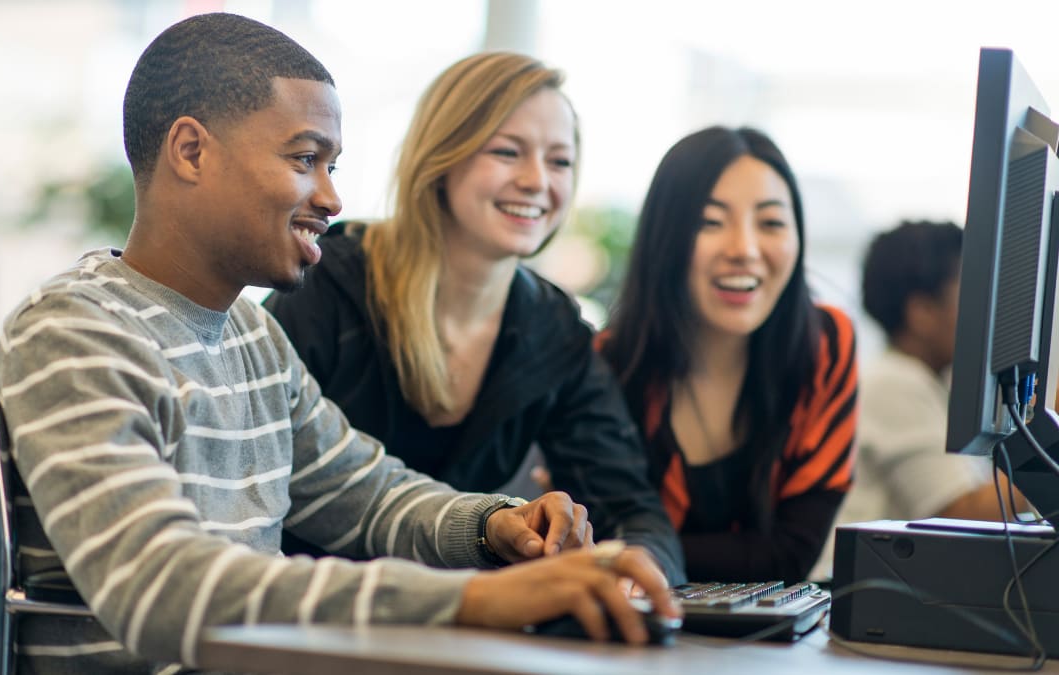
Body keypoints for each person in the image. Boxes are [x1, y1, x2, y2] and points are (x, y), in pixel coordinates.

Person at [0, 14, 678, 673]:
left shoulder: (253, 335)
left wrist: (499, 523)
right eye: (305, 158)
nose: (332, 198)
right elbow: (161, 585)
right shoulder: (72, 332)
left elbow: (368, 496)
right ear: (191, 151)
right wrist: (473, 600)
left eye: (333, 167)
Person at [263, 51, 685, 583]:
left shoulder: (554, 329)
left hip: (459, 631)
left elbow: (633, 511)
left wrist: (636, 581)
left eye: (559, 161)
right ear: (442, 157)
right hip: (310, 623)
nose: (537, 181)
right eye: (509, 152)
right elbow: (259, 490)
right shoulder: (328, 286)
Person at [598, 126, 858, 584]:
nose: (745, 250)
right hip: (627, 633)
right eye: (709, 222)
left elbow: (791, 555)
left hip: (768, 644)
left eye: (772, 222)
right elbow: (597, 542)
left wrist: (637, 549)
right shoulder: (608, 364)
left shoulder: (826, 345)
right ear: (666, 238)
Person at [811, 221, 1030, 580]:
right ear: (921, 313)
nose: (989, 312)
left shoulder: (925, 382)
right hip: (843, 596)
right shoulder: (895, 382)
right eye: (973, 293)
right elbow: (960, 513)